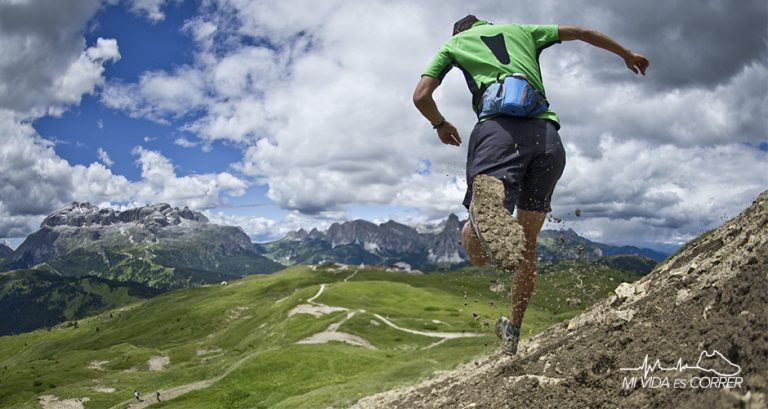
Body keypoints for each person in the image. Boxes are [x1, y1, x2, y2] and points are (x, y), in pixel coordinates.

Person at [413, 15, 648, 355]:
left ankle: (478, 223)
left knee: (477, 244)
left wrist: (439, 123)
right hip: (549, 140)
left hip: (497, 135)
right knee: (527, 246)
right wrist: (627, 54)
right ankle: (514, 331)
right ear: (485, 23)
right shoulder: (523, 31)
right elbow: (582, 32)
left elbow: (421, 95)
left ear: (459, 32)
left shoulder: (454, 44)